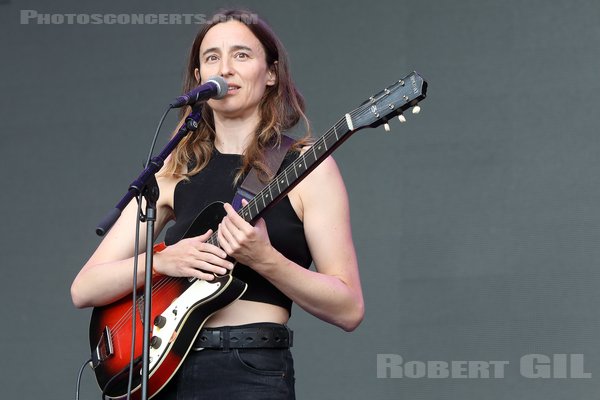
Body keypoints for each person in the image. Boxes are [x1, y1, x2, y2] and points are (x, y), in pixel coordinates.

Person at [71, 8, 364, 400]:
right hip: (167, 369)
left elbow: (348, 308)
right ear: (198, 78)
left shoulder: (308, 165)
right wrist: (165, 261)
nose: (225, 68)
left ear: (271, 73)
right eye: (212, 57)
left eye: (241, 55)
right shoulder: (174, 169)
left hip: (251, 368)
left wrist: (266, 260)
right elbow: (84, 288)